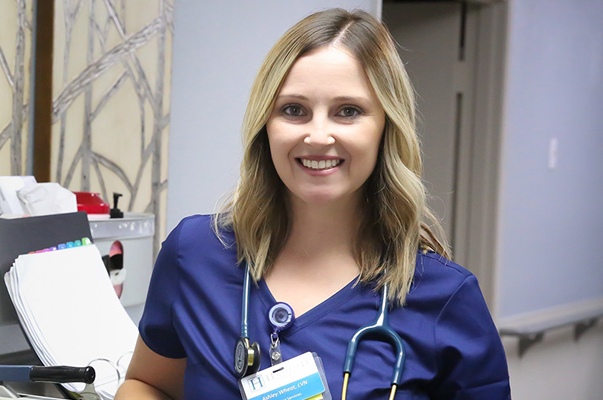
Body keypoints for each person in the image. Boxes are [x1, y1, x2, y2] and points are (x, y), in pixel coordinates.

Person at [115, 9, 511, 400]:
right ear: (265, 124)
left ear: (386, 128)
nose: (318, 136)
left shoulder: (445, 297)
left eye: (348, 111)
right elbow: (147, 385)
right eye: (294, 110)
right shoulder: (196, 253)